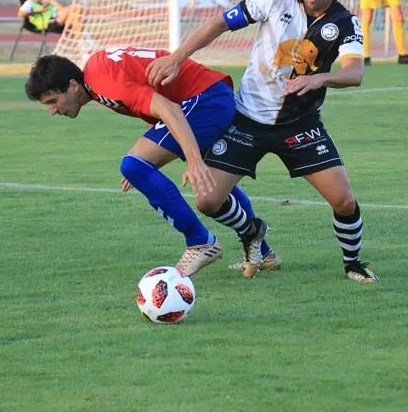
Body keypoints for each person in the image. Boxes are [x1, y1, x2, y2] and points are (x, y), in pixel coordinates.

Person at [147, 0, 379, 284]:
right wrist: (177, 57)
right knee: (208, 200)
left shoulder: (345, 23)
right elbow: (219, 23)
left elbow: (355, 73)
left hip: (300, 125)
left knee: (343, 200)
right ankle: (253, 231)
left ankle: (353, 264)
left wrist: (319, 78)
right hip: (247, 120)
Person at [24, 50, 268, 277]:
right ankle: (264, 253)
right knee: (213, 186)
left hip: (203, 100)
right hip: (208, 95)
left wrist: (191, 160)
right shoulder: (98, 72)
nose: (52, 111)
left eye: (52, 101)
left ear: (73, 85)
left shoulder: (103, 82)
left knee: (133, 165)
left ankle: (200, 242)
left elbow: (168, 108)